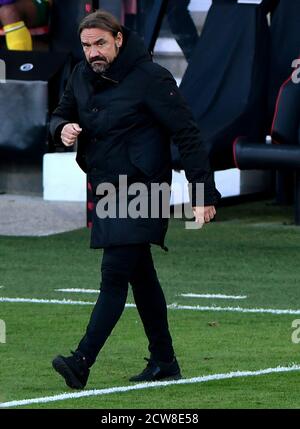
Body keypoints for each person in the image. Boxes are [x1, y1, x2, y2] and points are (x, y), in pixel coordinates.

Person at [50, 9, 220, 390]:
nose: (93, 52)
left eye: (100, 44)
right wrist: (62, 129)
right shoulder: (80, 74)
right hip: (107, 187)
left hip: (145, 188)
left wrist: (202, 193)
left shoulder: (151, 78)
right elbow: (59, 114)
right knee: (140, 276)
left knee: (114, 274)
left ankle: (81, 361)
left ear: (119, 40)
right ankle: (164, 360)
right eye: (86, 45)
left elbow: (188, 134)